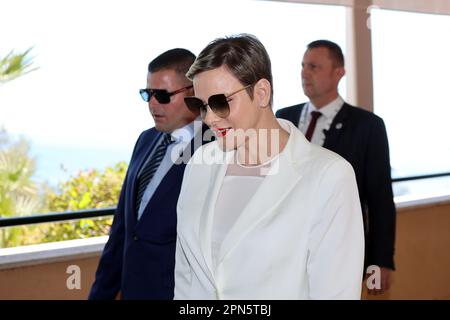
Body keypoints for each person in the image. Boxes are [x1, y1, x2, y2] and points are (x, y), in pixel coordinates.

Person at [174, 34, 365, 299]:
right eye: (200, 106)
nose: (210, 119)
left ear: (262, 93)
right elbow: (186, 278)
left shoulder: (329, 176)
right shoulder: (199, 165)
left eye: (220, 102)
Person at [276, 40, 396, 295]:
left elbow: (380, 199)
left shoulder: (368, 126)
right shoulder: (283, 118)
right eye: (303, 66)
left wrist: (381, 261)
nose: (304, 73)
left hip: (337, 247)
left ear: (339, 73)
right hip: (283, 249)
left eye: (314, 67)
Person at [89, 48, 209, 300]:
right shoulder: (146, 139)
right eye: (148, 94)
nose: (153, 104)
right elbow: (121, 230)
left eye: (163, 95)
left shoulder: (215, 148)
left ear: (193, 93)